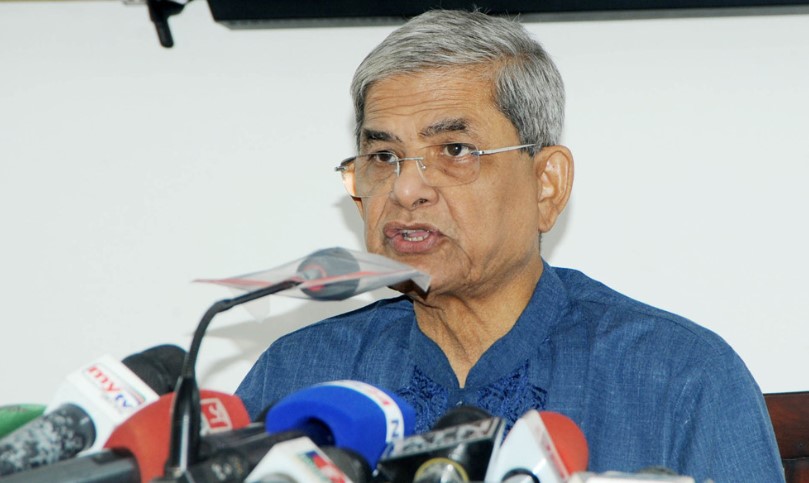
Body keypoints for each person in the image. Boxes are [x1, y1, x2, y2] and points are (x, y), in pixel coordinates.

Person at [236, 9, 784, 481]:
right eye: (383, 157)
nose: (405, 190)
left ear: (546, 184)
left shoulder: (679, 378)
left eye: (455, 150)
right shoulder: (300, 376)